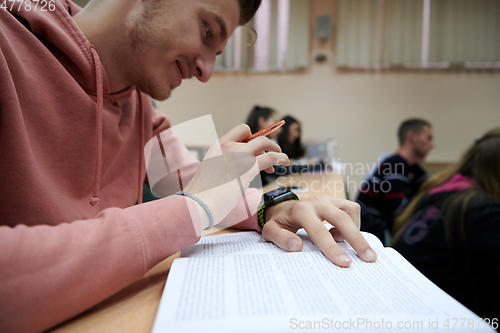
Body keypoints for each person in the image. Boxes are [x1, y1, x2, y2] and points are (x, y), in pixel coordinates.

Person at [0, 0, 377, 332]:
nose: (206, 71)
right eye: (208, 30)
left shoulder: (144, 110)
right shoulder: (8, 45)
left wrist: (278, 203)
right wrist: (191, 207)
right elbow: (196, 202)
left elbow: (205, 188)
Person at [392, 128, 500, 320]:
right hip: (430, 313)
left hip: (401, 298)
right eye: (428, 138)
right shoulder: (479, 208)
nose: (432, 144)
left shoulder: (446, 191)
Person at [356, 118, 434, 243]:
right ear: (412, 137)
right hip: (371, 233)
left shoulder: (411, 168)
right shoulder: (396, 164)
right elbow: (398, 210)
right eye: (428, 138)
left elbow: (434, 187)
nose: (432, 145)